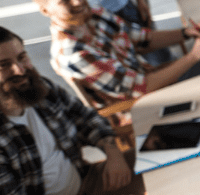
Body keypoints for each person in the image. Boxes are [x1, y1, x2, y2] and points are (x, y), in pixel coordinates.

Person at [25, 0, 200, 109]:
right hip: (142, 107)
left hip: (153, 79)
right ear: (45, 10)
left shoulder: (95, 14)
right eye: (64, 0)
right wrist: (193, 56)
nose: (77, 1)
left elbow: (141, 39)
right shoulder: (74, 54)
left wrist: (185, 34)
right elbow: (142, 88)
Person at [0, 26, 144, 194]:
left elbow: (87, 118)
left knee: (156, 153)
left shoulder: (41, 89)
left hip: (88, 181)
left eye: (21, 57)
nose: (20, 70)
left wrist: (114, 155)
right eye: (4, 65)